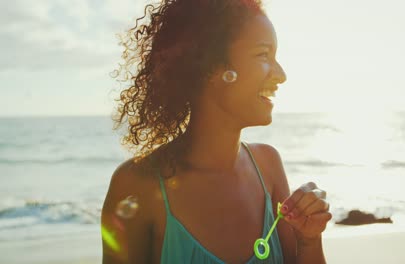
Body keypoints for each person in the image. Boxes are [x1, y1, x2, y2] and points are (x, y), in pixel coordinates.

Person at [101, 0, 332, 263]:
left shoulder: (269, 167)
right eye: (263, 55)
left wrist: (309, 239)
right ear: (211, 67)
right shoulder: (135, 185)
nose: (281, 75)